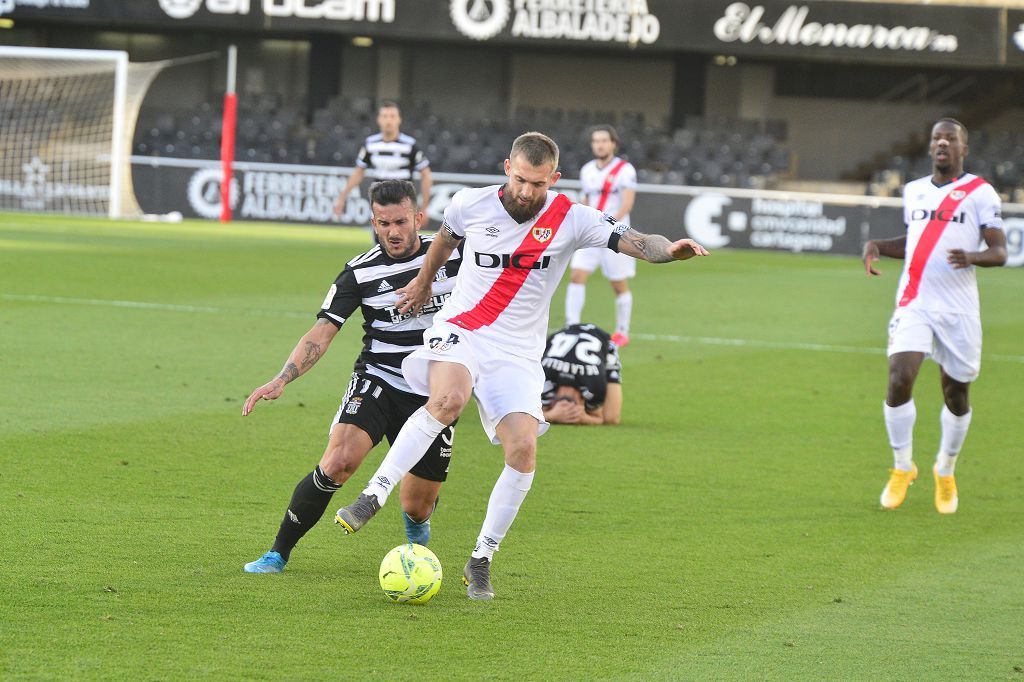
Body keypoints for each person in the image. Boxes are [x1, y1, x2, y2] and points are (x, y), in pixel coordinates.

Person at [333, 132, 708, 599]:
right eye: (520, 180)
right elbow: (444, 243)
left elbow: (635, 240)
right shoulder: (470, 204)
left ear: (554, 178)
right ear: (505, 167)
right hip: (464, 328)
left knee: (523, 451)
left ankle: (481, 558)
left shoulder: (574, 219)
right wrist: (425, 283)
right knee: (448, 399)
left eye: (537, 183)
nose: (527, 192)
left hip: (518, 352)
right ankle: (374, 494)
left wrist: (669, 251)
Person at [240, 180, 462, 573]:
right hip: (378, 378)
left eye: (400, 221)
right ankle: (277, 553)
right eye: (383, 223)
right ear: (373, 223)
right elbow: (321, 333)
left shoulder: (454, 255)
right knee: (338, 462)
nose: (393, 232)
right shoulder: (359, 272)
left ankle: (416, 538)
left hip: (436, 391)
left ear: (418, 218)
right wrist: (282, 378)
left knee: (417, 504)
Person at [862, 118, 1007, 515]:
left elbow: (999, 252)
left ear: (964, 149)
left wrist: (973, 256)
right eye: (936, 138)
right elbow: (916, 243)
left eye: (951, 138)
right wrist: (877, 245)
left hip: (959, 309)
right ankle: (901, 466)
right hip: (915, 301)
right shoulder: (914, 192)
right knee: (899, 378)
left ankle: (945, 468)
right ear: (930, 148)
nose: (942, 143)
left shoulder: (980, 193)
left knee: (956, 395)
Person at [565, 125, 638, 347]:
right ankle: (572, 326)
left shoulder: (625, 170)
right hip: (590, 233)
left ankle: (622, 331)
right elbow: (587, 201)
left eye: (604, 141)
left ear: (613, 144)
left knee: (618, 284)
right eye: (596, 141)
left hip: (616, 234)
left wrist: (609, 224)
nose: (599, 144)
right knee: (577, 276)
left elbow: (627, 203)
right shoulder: (587, 170)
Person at [333, 101, 432, 225]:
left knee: (402, 242)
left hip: (403, 204)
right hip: (379, 203)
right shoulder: (370, 144)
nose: (388, 120)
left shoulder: (410, 145)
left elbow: (426, 175)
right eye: (385, 116)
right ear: (379, 120)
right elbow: (358, 172)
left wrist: (425, 207)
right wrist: (342, 198)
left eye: (392, 116)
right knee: (380, 242)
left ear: (399, 120)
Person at [541, 323, 622, 426]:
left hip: (602, 339)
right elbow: (600, 418)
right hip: (561, 334)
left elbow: (611, 419)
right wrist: (551, 415)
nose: (567, 408)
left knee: (611, 417)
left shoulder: (594, 386)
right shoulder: (544, 380)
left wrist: (549, 415)